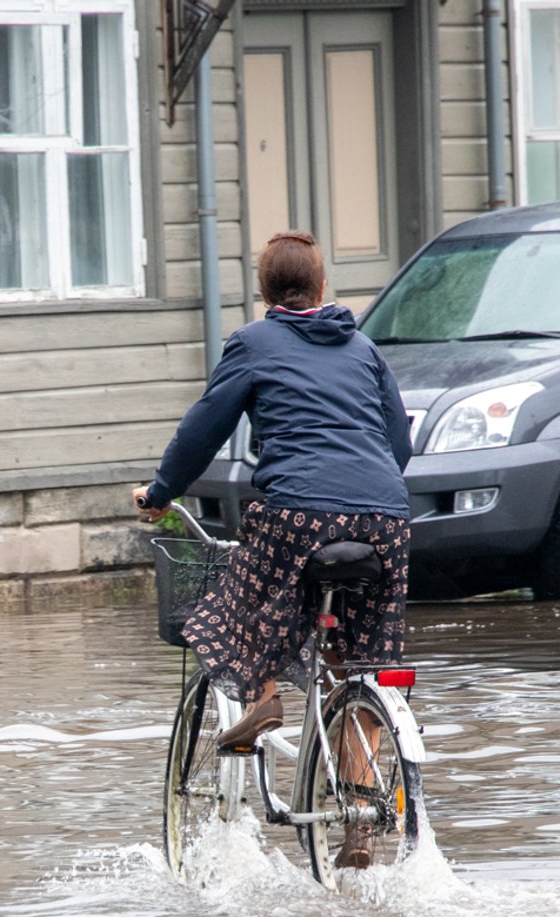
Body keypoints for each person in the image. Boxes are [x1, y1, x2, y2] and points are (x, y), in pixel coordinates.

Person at [134, 231, 412, 867]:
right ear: (322, 289)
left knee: (232, 599)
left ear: (264, 292)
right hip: (387, 520)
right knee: (362, 664)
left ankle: (261, 697)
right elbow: (399, 444)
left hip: (298, 512)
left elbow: (203, 429)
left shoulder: (252, 344)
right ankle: (360, 823)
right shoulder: (365, 347)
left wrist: (160, 492)